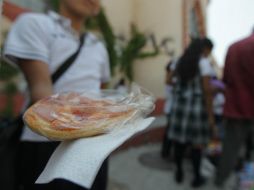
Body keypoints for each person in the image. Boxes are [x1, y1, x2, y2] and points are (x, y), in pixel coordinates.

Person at [4, 0, 110, 189]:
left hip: (93, 149)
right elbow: (41, 93)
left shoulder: (99, 46)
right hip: (46, 143)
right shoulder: (34, 23)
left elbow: (101, 92)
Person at [168, 38, 216, 188]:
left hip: (179, 106)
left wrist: (182, 89)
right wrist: (211, 117)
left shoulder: (179, 61)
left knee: (179, 143)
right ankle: (196, 178)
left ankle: (179, 172)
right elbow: (207, 92)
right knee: (196, 145)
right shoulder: (203, 63)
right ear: (204, 49)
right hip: (196, 107)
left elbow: (169, 80)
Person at [215, 31, 254, 187]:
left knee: (230, 149)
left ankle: (220, 180)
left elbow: (226, 79)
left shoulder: (233, 47)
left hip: (235, 106)